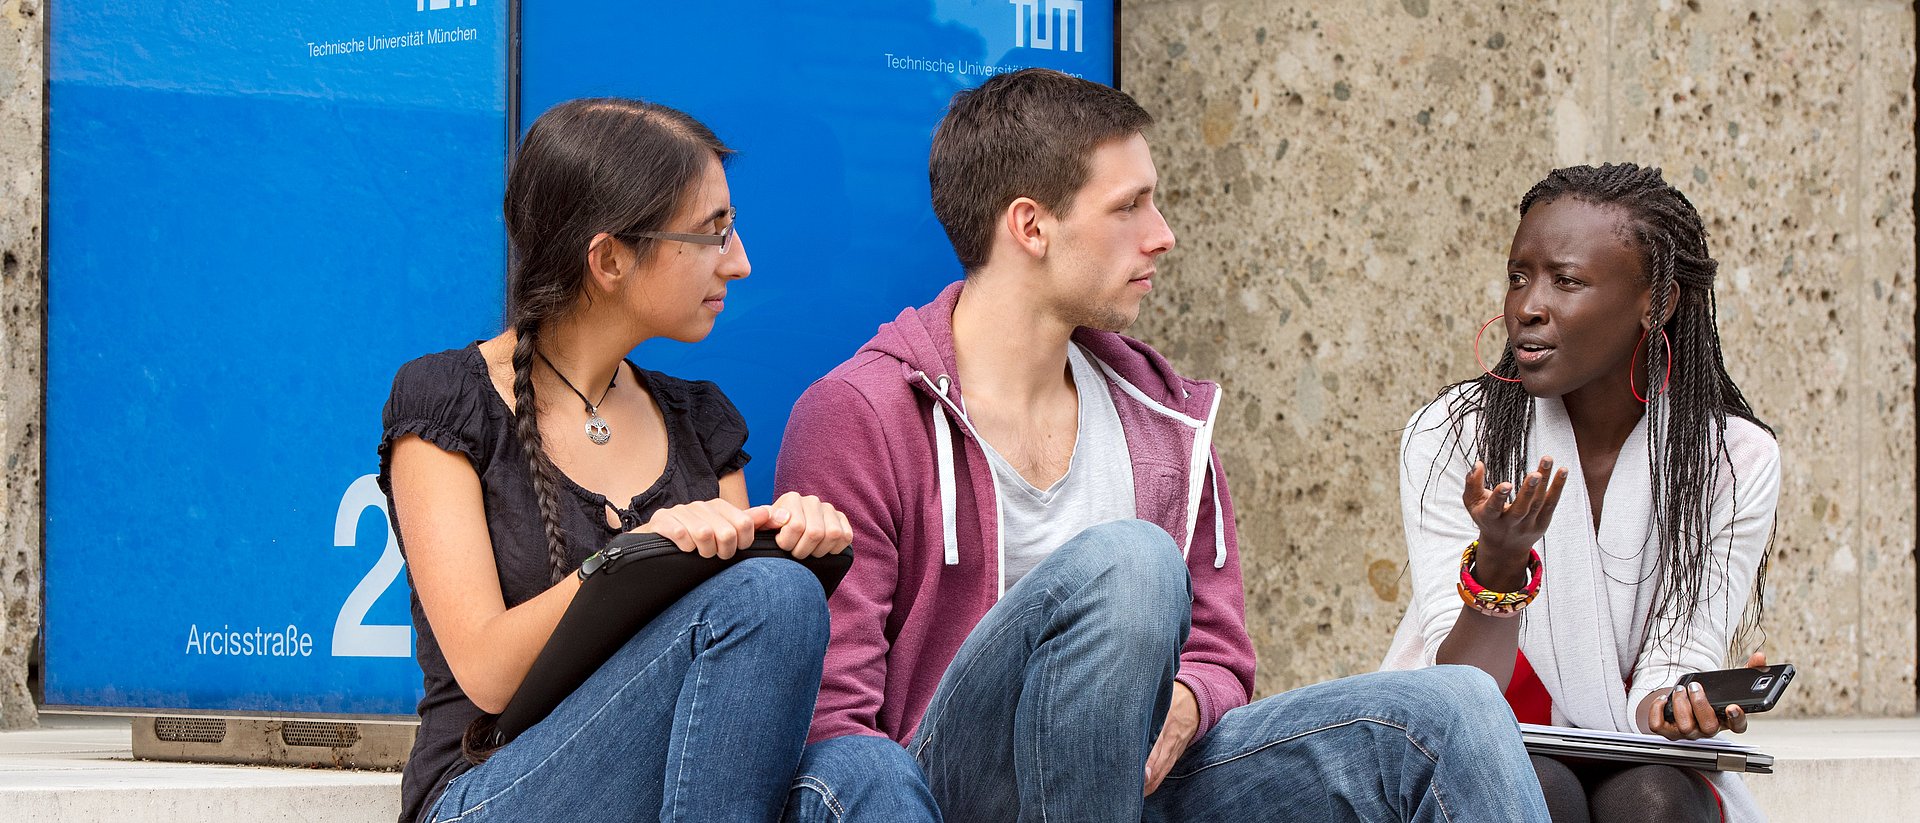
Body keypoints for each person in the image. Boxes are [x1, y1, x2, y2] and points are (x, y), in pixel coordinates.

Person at [775, 68, 1548, 823]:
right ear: (1031, 226)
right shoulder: (860, 414)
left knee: (1455, 708)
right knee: (1132, 562)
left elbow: (1218, 647)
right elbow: (835, 729)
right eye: (1130, 206)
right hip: (947, 789)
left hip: (1135, 780)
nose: (1164, 234)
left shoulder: (1164, 412)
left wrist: (1189, 697)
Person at [377, 98, 852, 823]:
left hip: (672, 790)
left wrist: (791, 542)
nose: (742, 261)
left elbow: (736, 685)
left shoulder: (702, 421)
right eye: (713, 231)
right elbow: (488, 671)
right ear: (608, 258)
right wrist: (635, 556)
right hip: (487, 786)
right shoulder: (448, 401)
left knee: (866, 770)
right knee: (770, 596)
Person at [1383, 163, 1780, 823]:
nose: (1527, 306)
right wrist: (1500, 566)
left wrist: (1678, 705)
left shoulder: (1734, 457)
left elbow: (1681, 653)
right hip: (1476, 729)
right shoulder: (1451, 433)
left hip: (1639, 750)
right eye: (1518, 276)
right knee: (1543, 793)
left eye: (1566, 280)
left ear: (1658, 302)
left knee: (1653, 801)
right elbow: (1457, 690)